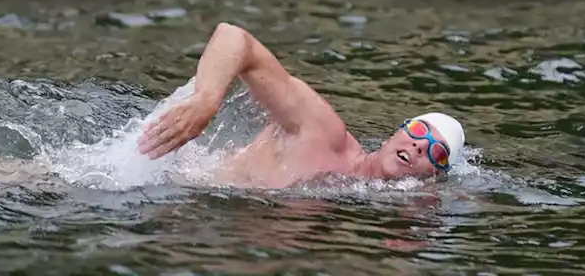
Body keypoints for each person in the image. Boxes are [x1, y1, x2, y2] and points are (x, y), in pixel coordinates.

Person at [137, 22, 466, 188]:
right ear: (393, 135)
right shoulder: (324, 133)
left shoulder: (366, 197)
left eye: (437, 152)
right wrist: (205, 101)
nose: (421, 145)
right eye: (419, 130)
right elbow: (232, 37)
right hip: (145, 174)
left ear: (433, 176)